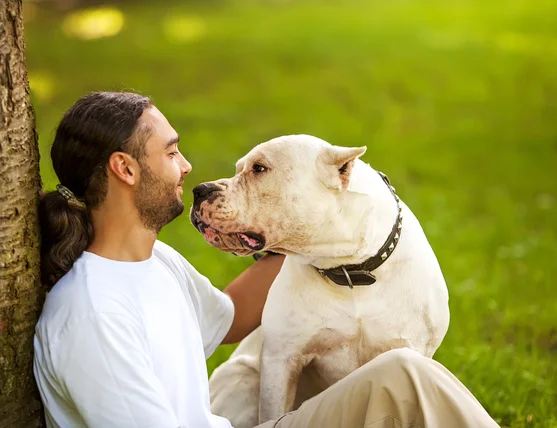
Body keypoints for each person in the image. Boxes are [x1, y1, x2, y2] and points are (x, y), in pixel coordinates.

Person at [34, 91, 500, 428]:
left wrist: (305, 230)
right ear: (126, 168)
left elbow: (231, 318)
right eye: (171, 151)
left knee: (401, 376)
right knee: (406, 376)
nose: (188, 165)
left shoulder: (157, 263)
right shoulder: (93, 315)